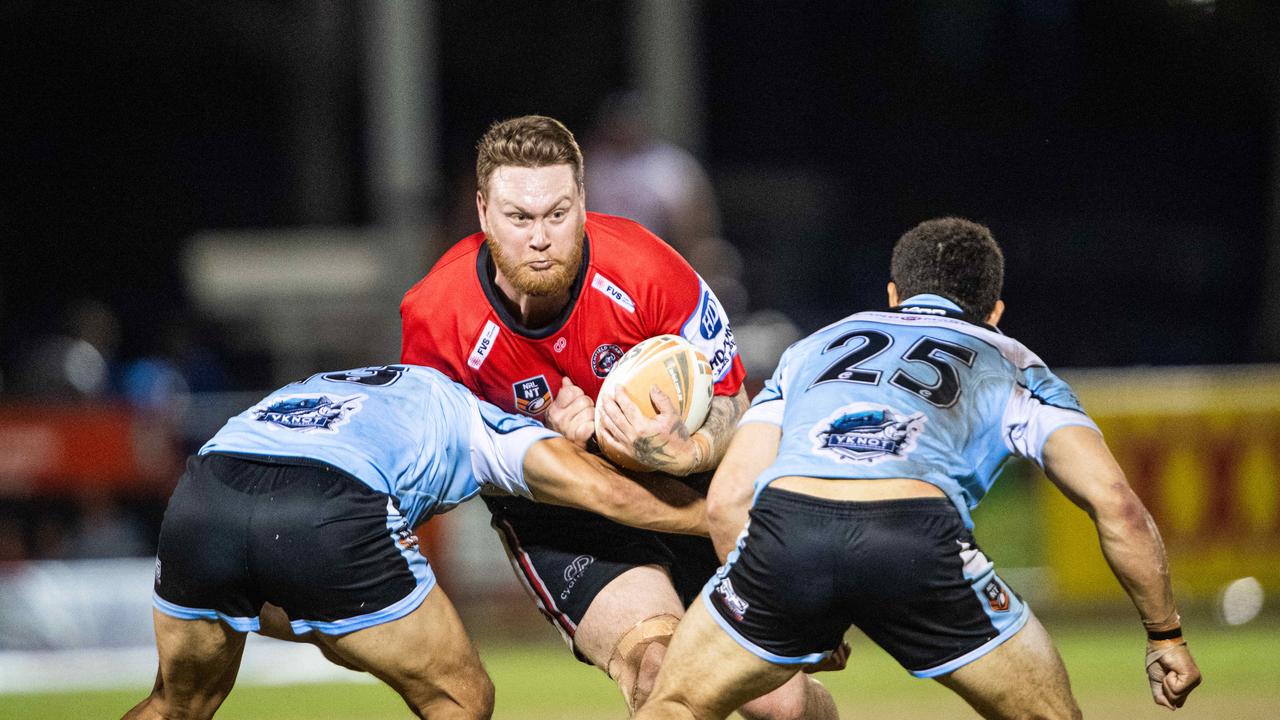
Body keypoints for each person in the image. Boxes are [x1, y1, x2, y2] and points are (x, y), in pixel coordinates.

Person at [634, 218, 1203, 720]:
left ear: (892, 295)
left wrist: (793, 605)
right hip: (915, 536)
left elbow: (728, 500)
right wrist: (1165, 634)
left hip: (790, 530)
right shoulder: (1014, 363)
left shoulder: (813, 349)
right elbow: (1117, 506)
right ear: (995, 312)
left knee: (676, 704)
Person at [400, 115, 836, 717]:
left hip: (682, 489)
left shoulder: (648, 269)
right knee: (654, 670)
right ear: (482, 212)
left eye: (557, 213)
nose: (540, 237)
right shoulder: (437, 315)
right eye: (518, 217)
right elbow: (439, 456)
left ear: (582, 201)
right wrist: (542, 440)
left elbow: (734, 400)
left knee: (780, 707)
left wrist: (692, 448)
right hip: (561, 514)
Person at [123, 364, 708, 720]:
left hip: (204, 494)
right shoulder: (481, 417)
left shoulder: (344, 381)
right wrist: (718, 516)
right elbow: (606, 493)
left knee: (178, 706)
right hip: (327, 503)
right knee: (462, 701)